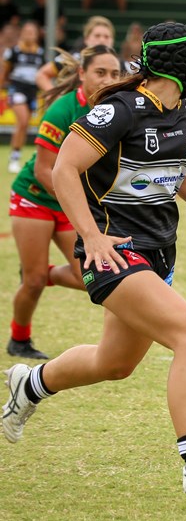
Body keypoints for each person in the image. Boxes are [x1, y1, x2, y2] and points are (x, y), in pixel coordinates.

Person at [1, 22, 186, 499]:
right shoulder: (119, 109)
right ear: (180, 65)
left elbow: (182, 177)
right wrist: (91, 235)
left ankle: (30, 385)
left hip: (157, 252)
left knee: (114, 363)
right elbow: (64, 169)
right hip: (113, 249)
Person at [7, 45, 121, 360]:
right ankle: (19, 339)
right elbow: (46, 170)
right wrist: (81, 203)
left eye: (114, 73)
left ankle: (48, 274)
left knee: (89, 278)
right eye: (100, 72)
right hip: (35, 196)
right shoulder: (63, 109)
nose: (107, 79)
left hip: (70, 202)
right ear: (82, 74)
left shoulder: (117, 109)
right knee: (31, 283)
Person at [2, 20, 45, 174]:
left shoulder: (40, 53)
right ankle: (14, 158)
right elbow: (5, 72)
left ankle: (16, 155)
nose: (29, 35)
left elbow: (42, 74)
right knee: (23, 120)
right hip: (16, 89)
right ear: (22, 33)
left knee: (25, 125)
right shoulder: (13, 52)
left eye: (32, 32)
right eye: (26, 32)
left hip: (32, 92)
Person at [36, 15, 116, 92]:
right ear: (86, 39)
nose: (102, 40)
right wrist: (55, 97)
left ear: (113, 40)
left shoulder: (119, 64)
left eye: (106, 37)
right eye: (97, 36)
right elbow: (42, 75)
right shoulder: (72, 59)